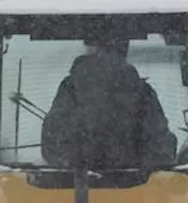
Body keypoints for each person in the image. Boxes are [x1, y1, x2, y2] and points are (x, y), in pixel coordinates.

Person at [40, 35, 178, 171]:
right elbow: (160, 149)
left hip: (73, 188)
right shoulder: (142, 93)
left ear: (92, 48)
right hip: (137, 189)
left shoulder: (70, 89)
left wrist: (79, 164)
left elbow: (53, 145)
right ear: (123, 50)